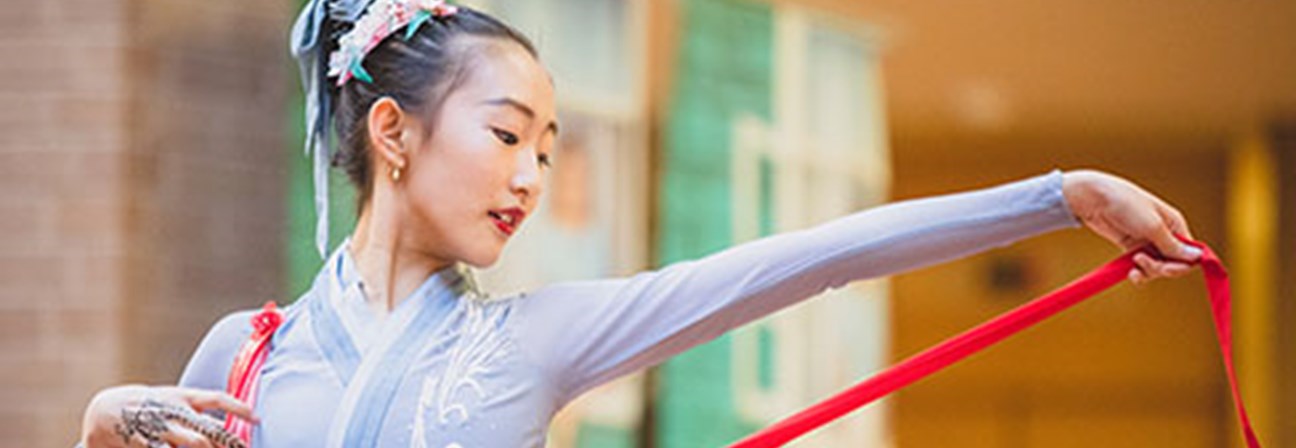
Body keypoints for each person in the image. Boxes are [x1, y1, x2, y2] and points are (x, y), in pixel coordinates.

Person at [76, 1, 1203, 447]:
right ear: (393, 130)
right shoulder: (245, 354)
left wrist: (1057, 197)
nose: (533, 176)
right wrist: (94, 426)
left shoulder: (539, 338)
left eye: (548, 148)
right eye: (508, 133)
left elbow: (812, 257)